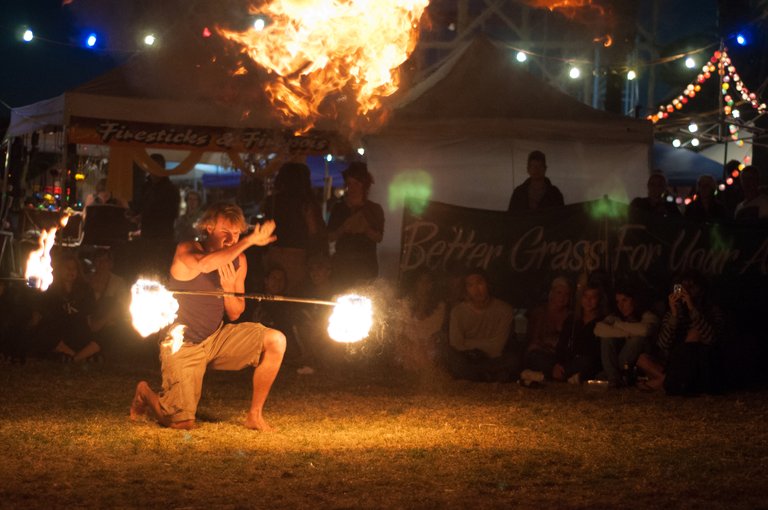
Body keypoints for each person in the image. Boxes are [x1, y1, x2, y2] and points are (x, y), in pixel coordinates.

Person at [129, 202, 285, 431]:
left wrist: (229, 288)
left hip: (216, 337)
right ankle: (144, 393)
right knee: (181, 423)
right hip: (183, 343)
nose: (231, 240)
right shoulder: (187, 249)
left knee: (276, 340)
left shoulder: (239, 261)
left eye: (236, 234)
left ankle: (255, 415)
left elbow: (235, 312)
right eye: (225, 232)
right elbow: (204, 265)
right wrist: (249, 240)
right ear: (209, 228)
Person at [636, 271, 724, 394]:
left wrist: (692, 308)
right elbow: (663, 344)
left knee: (694, 334)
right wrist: (674, 316)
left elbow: (711, 339)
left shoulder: (712, 311)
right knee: (642, 359)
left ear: (701, 290)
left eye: (691, 287)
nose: (686, 292)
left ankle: (663, 383)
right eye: (682, 288)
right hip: (674, 365)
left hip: (700, 363)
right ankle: (669, 381)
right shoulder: (674, 313)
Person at [261, 162, 326, 294]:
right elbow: (315, 233)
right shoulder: (308, 202)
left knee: (274, 292)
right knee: (293, 293)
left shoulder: (272, 201)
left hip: (275, 251)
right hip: (297, 256)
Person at [441, 269, 518, 382]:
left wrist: (468, 343)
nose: (476, 290)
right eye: (470, 285)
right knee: (447, 354)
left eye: (480, 283)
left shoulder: (504, 310)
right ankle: (485, 375)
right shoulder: (458, 312)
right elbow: (456, 344)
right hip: (466, 357)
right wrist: (481, 347)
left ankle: (472, 375)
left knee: (513, 360)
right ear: (466, 290)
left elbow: (497, 347)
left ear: (488, 284)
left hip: (492, 359)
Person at [29, 251, 103, 362]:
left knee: (104, 335)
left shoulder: (85, 290)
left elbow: (88, 316)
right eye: (67, 267)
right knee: (44, 334)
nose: (71, 271)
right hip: (58, 333)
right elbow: (41, 314)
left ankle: (74, 357)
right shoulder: (50, 290)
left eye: (74, 268)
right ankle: (80, 356)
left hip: (78, 331)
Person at [327, 162, 384, 289]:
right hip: (343, 266)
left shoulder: (374, 209)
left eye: (356, 184)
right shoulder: (339, 208)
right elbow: (330, 236)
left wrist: (365, 228)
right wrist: (343, 228)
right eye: (349, 183)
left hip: (366, 266)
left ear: (364, 185)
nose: (352, 188)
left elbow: (379, 237)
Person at [595, 283, 659, 387]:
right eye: (618, 302)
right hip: (620, 362)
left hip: (639, 363)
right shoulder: (615, 318)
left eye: (625, 300)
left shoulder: (648, 316)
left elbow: (645, 330)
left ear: (634, 300)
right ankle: (614, 378)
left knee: (637, 339)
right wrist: (627, 332)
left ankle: (613, 375)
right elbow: (598, 330)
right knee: (606, 339)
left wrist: (617, 326)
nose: (621, 306)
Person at [393, 269, 447, 373]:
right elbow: (398, 333)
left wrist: (426, 344)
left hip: (430, 348)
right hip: (408, 347)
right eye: (421, 282)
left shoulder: (440, 307)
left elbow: (436, 330)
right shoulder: (404, 305)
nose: (425, 286)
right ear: (415, 284)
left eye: (428, 282)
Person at [520, 277, 572, 383]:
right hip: (541, 354)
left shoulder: (571, 316)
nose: (562, 297)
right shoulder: (539, 313)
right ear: (551, 294)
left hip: (561, 355)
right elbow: (534, 342)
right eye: (559, 293)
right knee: (535, 357)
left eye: (566, 294)